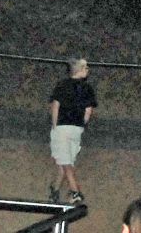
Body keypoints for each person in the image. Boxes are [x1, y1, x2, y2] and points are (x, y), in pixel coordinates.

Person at [47, 56, 97, 205]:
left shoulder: (62, 85)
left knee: (65, 162)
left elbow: (55, 106)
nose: (88, 70)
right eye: (86, 67)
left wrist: (55, 126)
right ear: (79, 70)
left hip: (63, 128)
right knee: (66, 161)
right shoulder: (87, 88)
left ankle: (61, 190)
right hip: (74, 129)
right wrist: (81, 124)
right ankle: (71, 191)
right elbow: (88, 110)